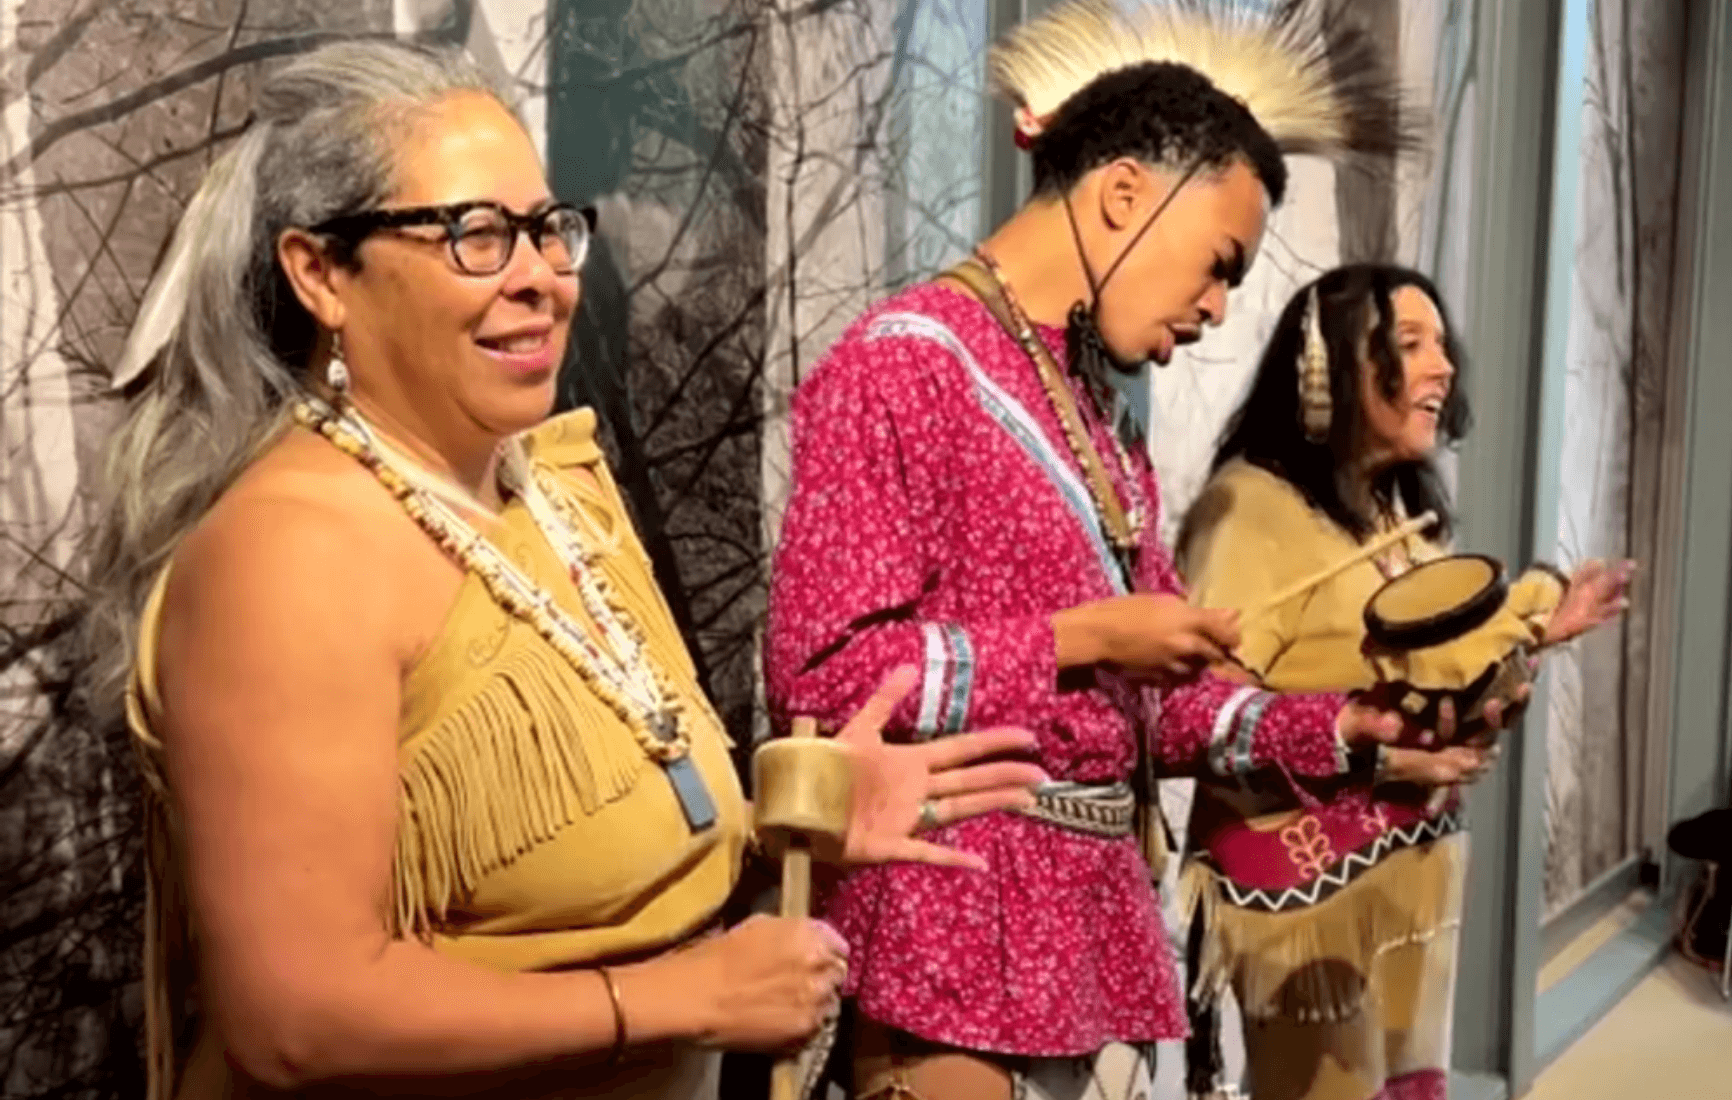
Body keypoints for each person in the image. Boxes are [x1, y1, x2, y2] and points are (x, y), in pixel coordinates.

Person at [83, 39, 1047, 1100]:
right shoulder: (291, 557)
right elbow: (296, 1018)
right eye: (475, 236)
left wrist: (785, 834)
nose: (540, 276)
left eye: (547, 230)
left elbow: (582, 869)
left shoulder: (550, 486)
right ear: (321, 275)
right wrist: (683, 1000)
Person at [762, 3, 1495, 1098]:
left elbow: (1161, 712)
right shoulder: (904, 365)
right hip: (946, 933)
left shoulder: (1104, 426)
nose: (1216, 308)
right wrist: (1081, 636)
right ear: (1122, 196)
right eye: (1218, 264)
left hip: (1091, 941)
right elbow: (820, 680)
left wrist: (1348, 728)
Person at [1173, 263, 1634, 1100]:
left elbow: (1427, 673)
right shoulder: (1247, 509)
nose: (1444, 365)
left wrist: (1533, 638)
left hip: (1406, 880)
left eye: (1441, 344)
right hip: (1310, 899)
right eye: (1411, 343)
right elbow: (1201, 714)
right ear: (1328, 370)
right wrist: (1376, 754)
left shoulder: (1391, 510)